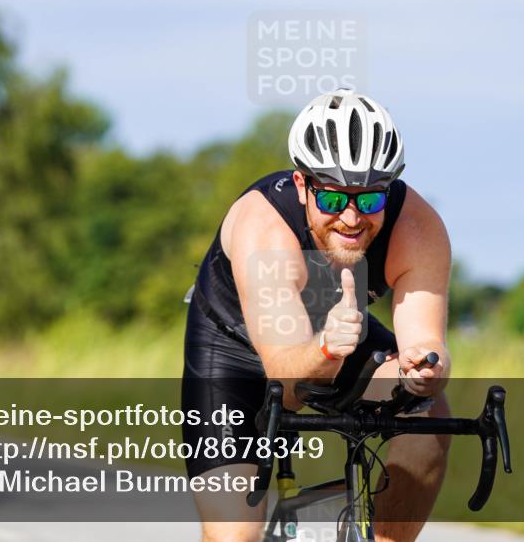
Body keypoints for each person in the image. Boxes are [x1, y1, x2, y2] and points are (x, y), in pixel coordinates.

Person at [182, 88, 452, 542]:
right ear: (304, 185)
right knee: (234, 534)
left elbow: (428, 345)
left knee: (428, 414)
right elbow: (286, 383)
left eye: (368, 201)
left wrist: (423, 369)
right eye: (332, 200)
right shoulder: (265, 228)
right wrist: (327, 346)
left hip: (339, 333)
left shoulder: (417, 229)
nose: (351, 218)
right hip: (236, 352)